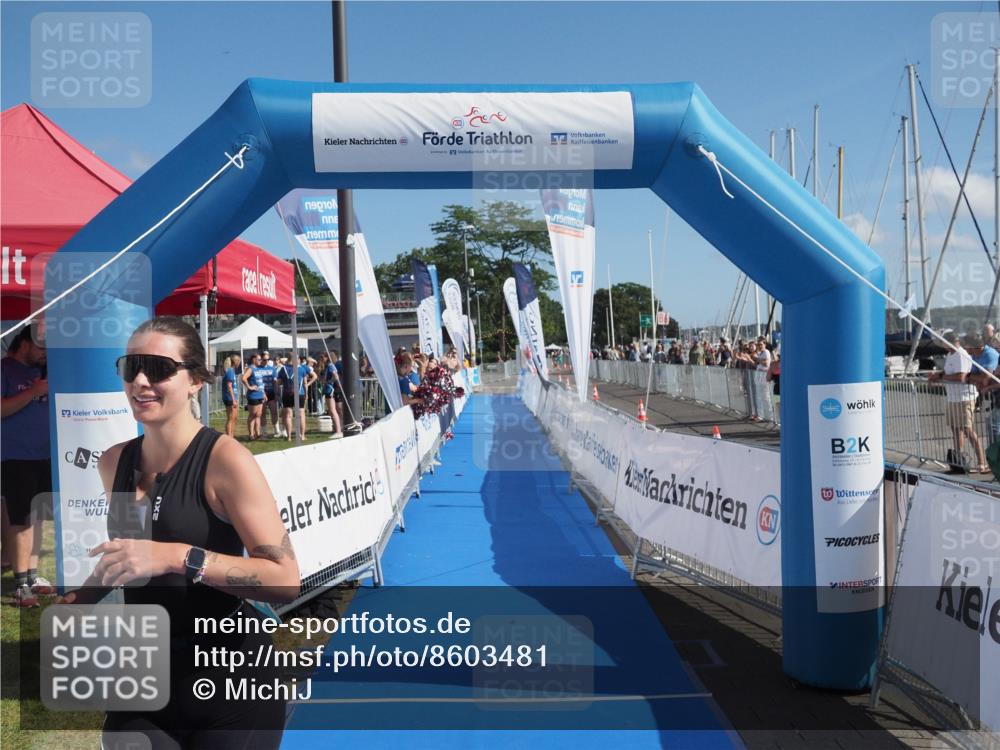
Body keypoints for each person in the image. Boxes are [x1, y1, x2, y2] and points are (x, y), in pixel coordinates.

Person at [60, 317, 299, 749]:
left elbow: (284, 577)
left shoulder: (226, 460)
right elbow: (131, 555)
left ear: (195, 381)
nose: (139, 380)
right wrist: (74, 599)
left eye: (157, 368)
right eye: (131, 366)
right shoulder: (114, 461)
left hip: (230, 681)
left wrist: (178, 557)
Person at [1, 325, 56, 607]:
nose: (45, 354)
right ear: (24, 344)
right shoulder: (5, 369)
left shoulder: (42, 372)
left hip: (43, 456)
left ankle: (33, 577)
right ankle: (21, 582)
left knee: (36, 518)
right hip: (15, 456)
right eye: (41, 348)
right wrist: (33, 391)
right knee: (20, 520)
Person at [929, 331, 988, 473]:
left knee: (967, 429)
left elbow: (961, 376)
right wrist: (938, 376)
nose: (944, 346)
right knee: (955, 428)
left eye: (944, 343)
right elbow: (948, 373)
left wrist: (942, 377)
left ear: (951, 342)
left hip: (964, 397)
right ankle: (959, 460)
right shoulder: (950, 355)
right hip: (953, 397)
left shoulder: (961, 354)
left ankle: (981, 462)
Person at [277, 354, 317, 442]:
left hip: (287, 393)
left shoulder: (283, 369)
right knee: (301, 414)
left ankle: (289, 437)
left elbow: (279, 382)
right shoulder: (302, 369)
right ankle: (302, 436)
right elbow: (305, 384)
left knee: (288, 415)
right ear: (296, 359)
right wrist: (306, 394)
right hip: (300, 393)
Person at [241, 353, 265, 440]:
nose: (260, 361)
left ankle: (258, 433)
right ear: (254, 360)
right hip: (253, 395)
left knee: (258, 414)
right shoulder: (250, 368)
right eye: (259, 359)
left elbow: (260, 383)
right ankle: (251, 434)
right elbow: (243, 378)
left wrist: (264, 394)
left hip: (260, 395)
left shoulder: (257, 369)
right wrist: (249, 387)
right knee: (253, 415)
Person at [257, 352, 281, 439]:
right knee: (262, 413)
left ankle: (277, 431)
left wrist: (277, 391)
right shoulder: (257, 369)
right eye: (264, 360)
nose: (266, 361)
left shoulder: (272, 369)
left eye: (267, 359)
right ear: (261, 359)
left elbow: (276, 381)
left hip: (271, 393)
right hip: (261, 393)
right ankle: (264, 433)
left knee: (274, 412)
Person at [221, 354, 241, 438]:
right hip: (229, 398)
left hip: (233, 397)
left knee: (234, 418)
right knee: (231, 418)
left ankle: (231, 434)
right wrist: (233, 400)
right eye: (238, 361)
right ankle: (229, 436)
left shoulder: (232, 371)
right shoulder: (230, 371)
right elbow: (229, 386)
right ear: (235, 362)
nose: (239, 362)